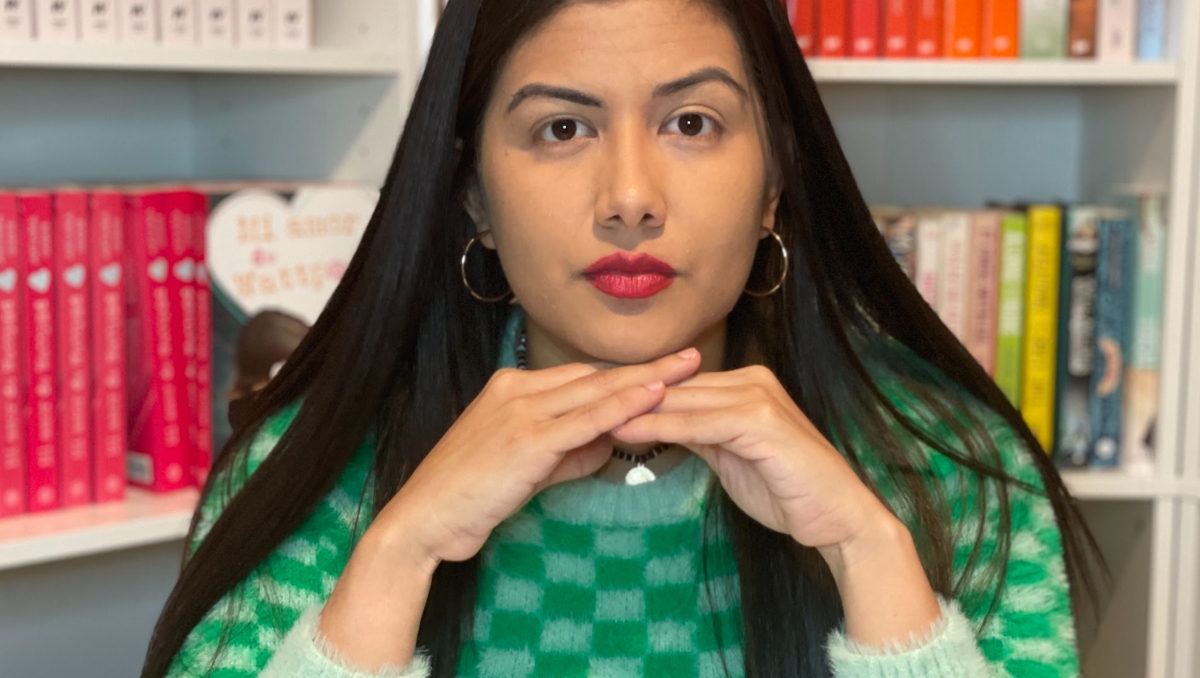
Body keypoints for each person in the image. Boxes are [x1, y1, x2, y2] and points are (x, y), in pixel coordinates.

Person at [141, 1, 1102, 677]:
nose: (631, 199)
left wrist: (870, 557)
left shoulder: (956, 468)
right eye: (562, 129)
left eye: (692, 122)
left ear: (774, 179)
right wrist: (397, 554)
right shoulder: (305, 473)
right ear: (473, 191)